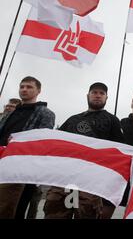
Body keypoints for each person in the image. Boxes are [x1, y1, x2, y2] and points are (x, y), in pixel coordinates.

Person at [44, 82, 124, 219]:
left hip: (91, 182)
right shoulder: (72, 119)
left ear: (106, 98)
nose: (98, 96)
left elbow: (120, 150)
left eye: (101, 93)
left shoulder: (113, 120)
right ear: (88, 95)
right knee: (55, 214)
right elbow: (55, 142)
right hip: (64, 179)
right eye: (94, 92)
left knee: (87, 214)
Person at [0, 76, 55, 219]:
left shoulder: (46, 113)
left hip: (21, 169)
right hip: (2, 161)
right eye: (22, 86)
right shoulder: (11, 113)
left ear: (38, 91)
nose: (24, 89)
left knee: (14, 209)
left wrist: (22, 141)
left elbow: (43, 139)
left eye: (29, 87)